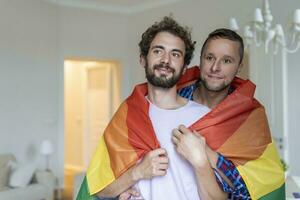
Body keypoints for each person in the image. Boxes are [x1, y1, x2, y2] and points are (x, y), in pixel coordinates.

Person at [76, 17, 234, 200]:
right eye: (158, 51)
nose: (166, 60)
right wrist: (137, 173)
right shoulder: (127, 115)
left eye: (175, 54)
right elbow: (99, 189)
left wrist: (200, 162)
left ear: (184, 68)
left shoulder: (205, 118)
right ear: (143, 59)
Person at [175, 28, 285, 199]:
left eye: (226, 61)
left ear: (239, 67)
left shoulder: (249, 115)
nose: (215, 67)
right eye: (210, 58)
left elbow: (249, 190)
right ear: (201, 59)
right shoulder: (174, 98)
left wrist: (209, 156)